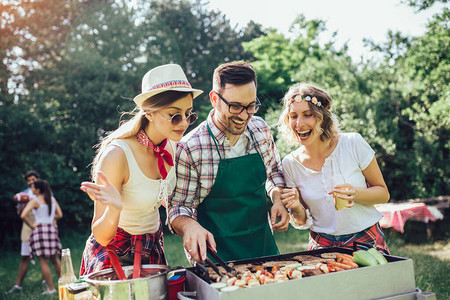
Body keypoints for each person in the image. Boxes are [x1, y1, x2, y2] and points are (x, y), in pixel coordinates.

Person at [79, 64, 203, 275]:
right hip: (114, 252)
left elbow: (165, 197)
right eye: (174, 115)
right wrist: (114, 209)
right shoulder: (117, 156)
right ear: (149, 113)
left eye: (189, 114)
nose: (183, 123)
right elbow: (101, 236)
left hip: (151, 246)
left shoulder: (173, 145)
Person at [168, 61, 289, 264]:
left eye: (250, 106)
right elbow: (178, 207)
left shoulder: (260, 129)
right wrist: (190, 227)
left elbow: (274, 171)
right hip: (216, 258)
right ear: (214, 99)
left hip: (263, 248)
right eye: (235, 106)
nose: (244, 116)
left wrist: (277, 198)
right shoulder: (191, 148)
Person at [279, 82, 390, 254]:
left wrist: (355, 194)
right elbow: (301, 221)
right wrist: (296, 207)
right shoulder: (290, 164)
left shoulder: (353, 143)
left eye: (307, 115)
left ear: (323, 117)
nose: (299, 123)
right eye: (293, 116)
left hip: (366, 238)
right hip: (321, 243)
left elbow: (383, 194)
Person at [21, 179, 63, 295]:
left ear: (38, 190)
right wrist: (49, 218)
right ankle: (64, 284)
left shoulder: (35, 201)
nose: (31, 189)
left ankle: (51, 289)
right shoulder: (52, 199)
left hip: (40, 231)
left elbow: (23, 214)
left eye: (33, 188)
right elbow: (59, 214)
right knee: (55, 260)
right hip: (51, 230)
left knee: (44, 262)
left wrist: (32, 224)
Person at [7, 170, 41, 294]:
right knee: (24, 256)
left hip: (41, 228)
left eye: (33, 179)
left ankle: (47, 282)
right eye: (29, 180)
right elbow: (20, 213)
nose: (31, 182)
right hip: (28, 229)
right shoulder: (23, 195)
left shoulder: (44, 193)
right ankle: (18, 286)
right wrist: (21, 205)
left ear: (37, 179)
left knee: (45, 257)